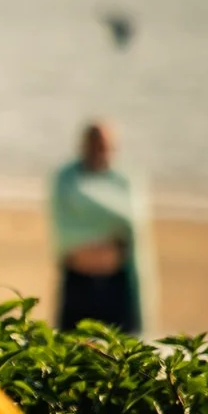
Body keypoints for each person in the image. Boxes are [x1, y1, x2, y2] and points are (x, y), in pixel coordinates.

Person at [51, 121, 150, 334]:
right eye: (93, 144)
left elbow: (132, 222)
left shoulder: (124, 180)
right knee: (71, 348)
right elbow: (64, 225)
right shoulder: (67, 179)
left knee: (121, 350)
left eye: (103, 145)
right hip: (78, 282)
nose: (98, 151)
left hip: (116, 284)